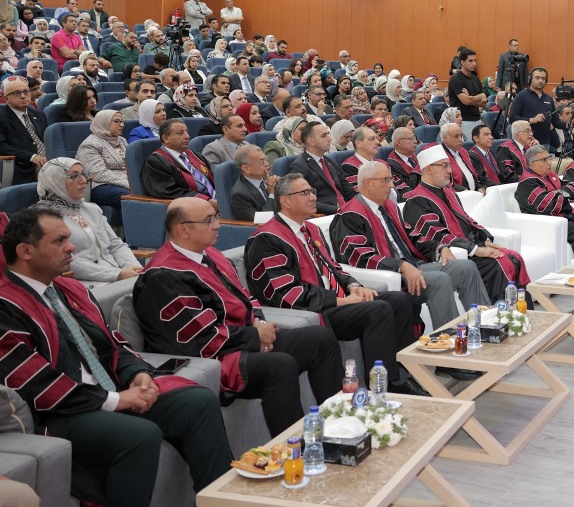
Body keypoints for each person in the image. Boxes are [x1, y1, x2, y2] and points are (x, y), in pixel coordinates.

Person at [0, 208, 232, 507]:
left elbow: (113, 341)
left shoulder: (71, 288)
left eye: (69, 239)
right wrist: (116, 401)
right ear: (25, 251)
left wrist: (138, 373)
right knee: (140, 434)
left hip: (111, 389)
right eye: (59, 241)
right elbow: (34, 382)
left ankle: (220, 501)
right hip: (62, 414)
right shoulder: (6, 305)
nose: (71, 247)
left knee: (198, 402)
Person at [133, 197, 343, 436]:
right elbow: (197, 338)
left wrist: (259, 324)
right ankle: (296, 450)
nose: (218, 225)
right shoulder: (163, 275)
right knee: (279, 365)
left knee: (320, 339)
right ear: (183, 229)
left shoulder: (210, 254)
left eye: (216, 217)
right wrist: (255, 337)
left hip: (243, 340)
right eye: (209, 220)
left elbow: (245, 298)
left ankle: (338, 425)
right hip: (217, 357)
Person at [242, 175, 427, 395]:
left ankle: (401, 373)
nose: (313, 197)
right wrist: (341, 300)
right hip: (315, 310)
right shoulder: (267, 239)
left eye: (312, 191)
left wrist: (352, 286)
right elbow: (285, 294)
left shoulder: (310, 229)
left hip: (336, 301)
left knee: (399, 299)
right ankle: (383, 386)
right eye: (304, 193)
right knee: (378, 309)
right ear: (285, 201)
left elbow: (333, 268)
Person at [331, 161, 491, 328]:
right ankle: (450, 338)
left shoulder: (388, 207)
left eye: (391, 179)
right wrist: (401, 266)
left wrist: (439, 247)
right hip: (391, 275)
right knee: (440, 279)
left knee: (466, 267)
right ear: (367, 183)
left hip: (413, 267)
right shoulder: (349, 214)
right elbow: (359, 256)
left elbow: (413, 236)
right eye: (385, 180)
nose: (392, 185)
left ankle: (484, 326)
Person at [401, 147, 529, 301]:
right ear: (429, 169)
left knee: (513, 257)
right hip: (456, 255)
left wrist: (485, 240)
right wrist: (476, 249)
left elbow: (468, 220)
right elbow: (438, 236)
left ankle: (521, 315)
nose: (450, 170)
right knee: (496, 265)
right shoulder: (417, 200)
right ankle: (501, 315)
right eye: (444, 165)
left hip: (469, 247)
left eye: (449, 165)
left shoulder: (449, 192)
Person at [35, 159, 141, 288]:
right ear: (55, 181)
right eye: (74, 176)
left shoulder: (91, 208)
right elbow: (68, 262)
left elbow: (116, 245)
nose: (83, 180)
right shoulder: (42, 218)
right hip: (86, 284)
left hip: (119, 275)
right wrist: (117, 274)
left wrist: (134, 268)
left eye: (83, 174)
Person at [141, 119, 216, 201]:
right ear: (166, 138)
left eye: (187, 132)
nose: (187, 136)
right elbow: (168, 191)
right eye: (180, 133)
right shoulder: (156, 162)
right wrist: (207, 201)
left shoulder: (196, 156)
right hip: (193, 206)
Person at [76, 110, 131, 216]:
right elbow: (98, 174)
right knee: (132, 197)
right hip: (100, 185)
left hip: (126, 182)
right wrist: (127, 184)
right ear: (104, 123)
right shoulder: (89, 144)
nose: (122, 124)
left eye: (122, 121)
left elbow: (130, 165)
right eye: (117, 121)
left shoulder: (122, 140)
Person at [289, 121, 350, 213]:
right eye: (324, 135)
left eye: (328, 134)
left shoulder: (330, 162)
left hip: (346, 211)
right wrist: (338, 210)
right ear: (311, 141)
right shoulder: (299, 167)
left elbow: (348, 190)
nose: (329, 139)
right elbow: (303, 199)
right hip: (326, 216)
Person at [0, 76, 48, 185]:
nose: (22, 96)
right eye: (16, 93)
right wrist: (32, 157)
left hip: (48, 160)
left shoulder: (39, 115)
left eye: (26, 92)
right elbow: (2, 146)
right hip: (22, 165)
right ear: (6, 99)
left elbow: (47, 140)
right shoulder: (2, 117)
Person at [508, 66, 556, 147]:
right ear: (530, 79)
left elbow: (556, 121)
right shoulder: (521, 96)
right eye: (537, 78)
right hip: (526, 143)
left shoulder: (549, 98)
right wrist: (531, 120)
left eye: (543, 78)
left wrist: (568, 124)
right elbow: (512, 119)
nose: (540, 81)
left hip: (544, 143)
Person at [228, 144, 277, 221]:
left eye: (265, 159)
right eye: (261, 162)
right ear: (246, 168)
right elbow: (263, 220)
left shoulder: (267, 176)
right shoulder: (239, 195)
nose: (267, 164)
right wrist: (272, 194)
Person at [447, 48, 487, 122]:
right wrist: (479, 96)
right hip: (462, 120)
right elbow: (466, 101)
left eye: (475, 60)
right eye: (470, 61)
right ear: (462, 62)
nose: (474, 63)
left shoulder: (476, 79)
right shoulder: (456, 79)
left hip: (477, 119)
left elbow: (484, 102)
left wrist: (470, 98)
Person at [339, 124, 382, 192]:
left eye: (376, 138)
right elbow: (358, 196)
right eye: (372, 139)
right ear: (359, 143)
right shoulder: (349, 167)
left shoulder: (383, 163)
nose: (377, 142)